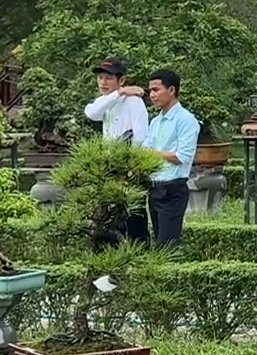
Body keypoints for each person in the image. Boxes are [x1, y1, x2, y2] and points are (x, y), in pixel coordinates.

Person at [141, 68, 201, 247]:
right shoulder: (156, 121)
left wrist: (153, 154)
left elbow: (182, 156)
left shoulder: (186, 120)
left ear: (172, 90)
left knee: (166, 246)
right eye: (150, 90)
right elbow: (145, 149)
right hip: (155, 188)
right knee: (159, 242)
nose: (152, 95)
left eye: (156, 90)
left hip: (172, 189)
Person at [84, 55, 149, 144]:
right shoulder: (102, 101)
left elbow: (140, 136)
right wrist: (119, 93)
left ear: (121, 80)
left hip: (129, 155)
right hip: (108, 155)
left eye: (109, 78)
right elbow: (92, 114)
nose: (103, 83)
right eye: (100, 77)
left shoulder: (133, 100)